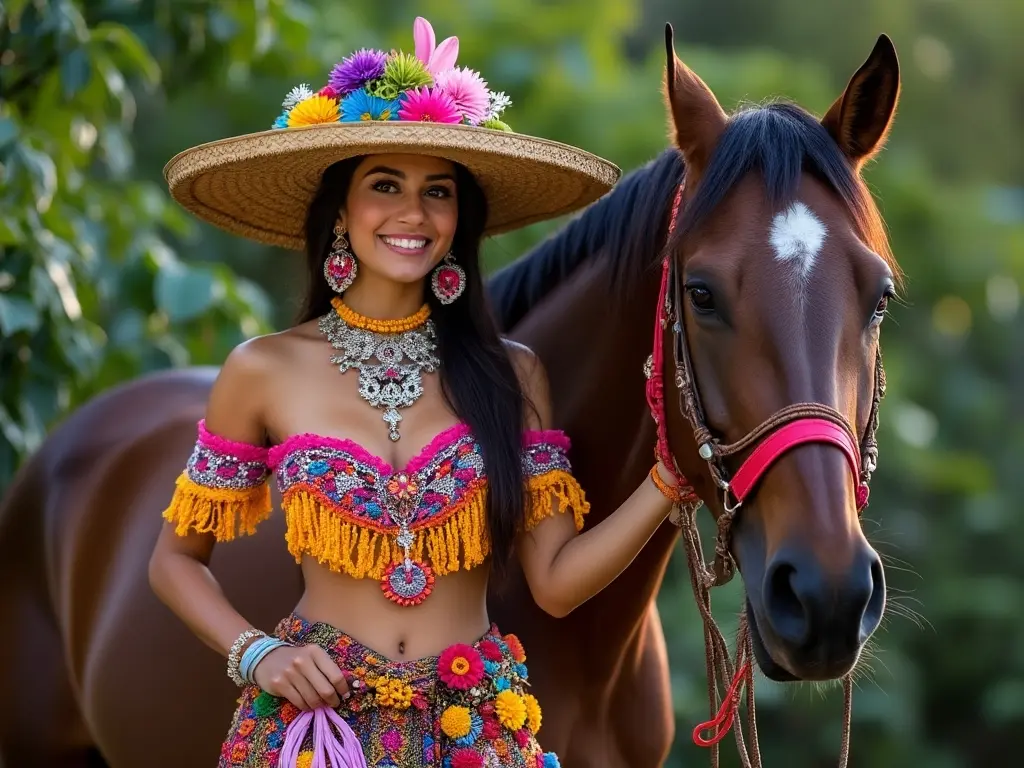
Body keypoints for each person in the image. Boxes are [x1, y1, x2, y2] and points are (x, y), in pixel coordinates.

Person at [150, 16, 686, 768]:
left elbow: (558, 585)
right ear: (340, 210)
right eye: (385, 185)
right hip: (314, 729)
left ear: (459, 215)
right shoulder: (263, 370)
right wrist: (257, 653)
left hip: (477, 728)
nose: (413, 213)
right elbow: (173, 561)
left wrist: (668, 479)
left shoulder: (511, 373)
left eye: (438, 190)